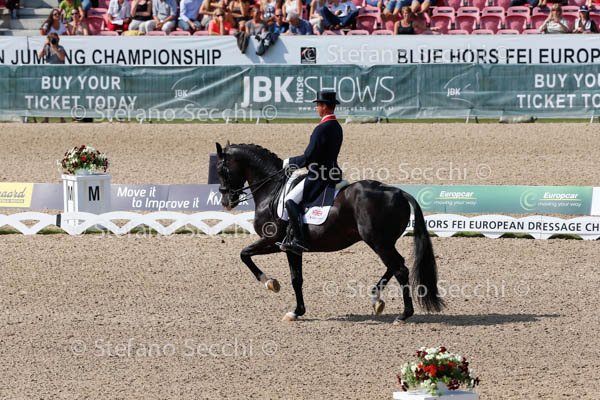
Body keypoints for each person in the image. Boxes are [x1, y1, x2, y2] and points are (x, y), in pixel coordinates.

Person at [279, 90, 343, 255]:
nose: (316, 108)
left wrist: (290, 162)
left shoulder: (321, 128)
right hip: (333, 173)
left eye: (318, 105)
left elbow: (309, 156)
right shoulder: (337, 126)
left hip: (319, 176)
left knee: (290, 200)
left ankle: (299, 240)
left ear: (324, 107)